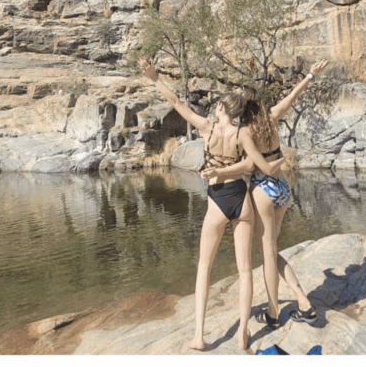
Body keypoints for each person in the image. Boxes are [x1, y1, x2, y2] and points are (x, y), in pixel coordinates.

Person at [138, 59, 285, 351]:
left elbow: (176, 102)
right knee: (245, 271)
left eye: (217, 106)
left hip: (217, 201)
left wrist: (154, 78)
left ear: (220, 109)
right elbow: (250, 163)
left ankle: (199, 336)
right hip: (241, 198)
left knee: (204, 267)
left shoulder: (207, 129)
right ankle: (243, 332)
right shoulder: (243, 134)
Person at [203, 60, 328, 329]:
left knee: (268, 252)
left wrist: (218, 172)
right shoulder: (271, 116)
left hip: (264, 189)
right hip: (283, 189)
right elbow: (293, 96)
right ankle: (302, 301)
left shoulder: (244, 132)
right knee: (270, 248)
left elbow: (253, 166)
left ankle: (275, 313)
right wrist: (309, 75)